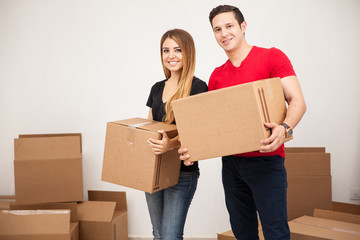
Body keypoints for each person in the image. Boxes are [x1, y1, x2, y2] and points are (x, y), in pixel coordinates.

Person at [179, 5, 306, 240]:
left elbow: (297, 100)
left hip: (267, 161)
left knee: (275, 232)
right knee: (243, 232)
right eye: (217, 29)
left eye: (229, 26)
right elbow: (213, 125)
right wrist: (193, 147)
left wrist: (285, 128)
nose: (224, 33)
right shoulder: (217, 75)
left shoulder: (271, 57)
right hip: (232, 164)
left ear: (243, 26)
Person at [145, 28, 208, 240]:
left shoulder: (197, 87)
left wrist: (170, 145)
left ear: (188, 53)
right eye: (165, 50)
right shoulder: (156, 88)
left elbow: (197, 131)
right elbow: (149, 125)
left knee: (170, 236)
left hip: (182, 173)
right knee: (158, 233)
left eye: (177, 50)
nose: (170, 56)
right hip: (154, 168)